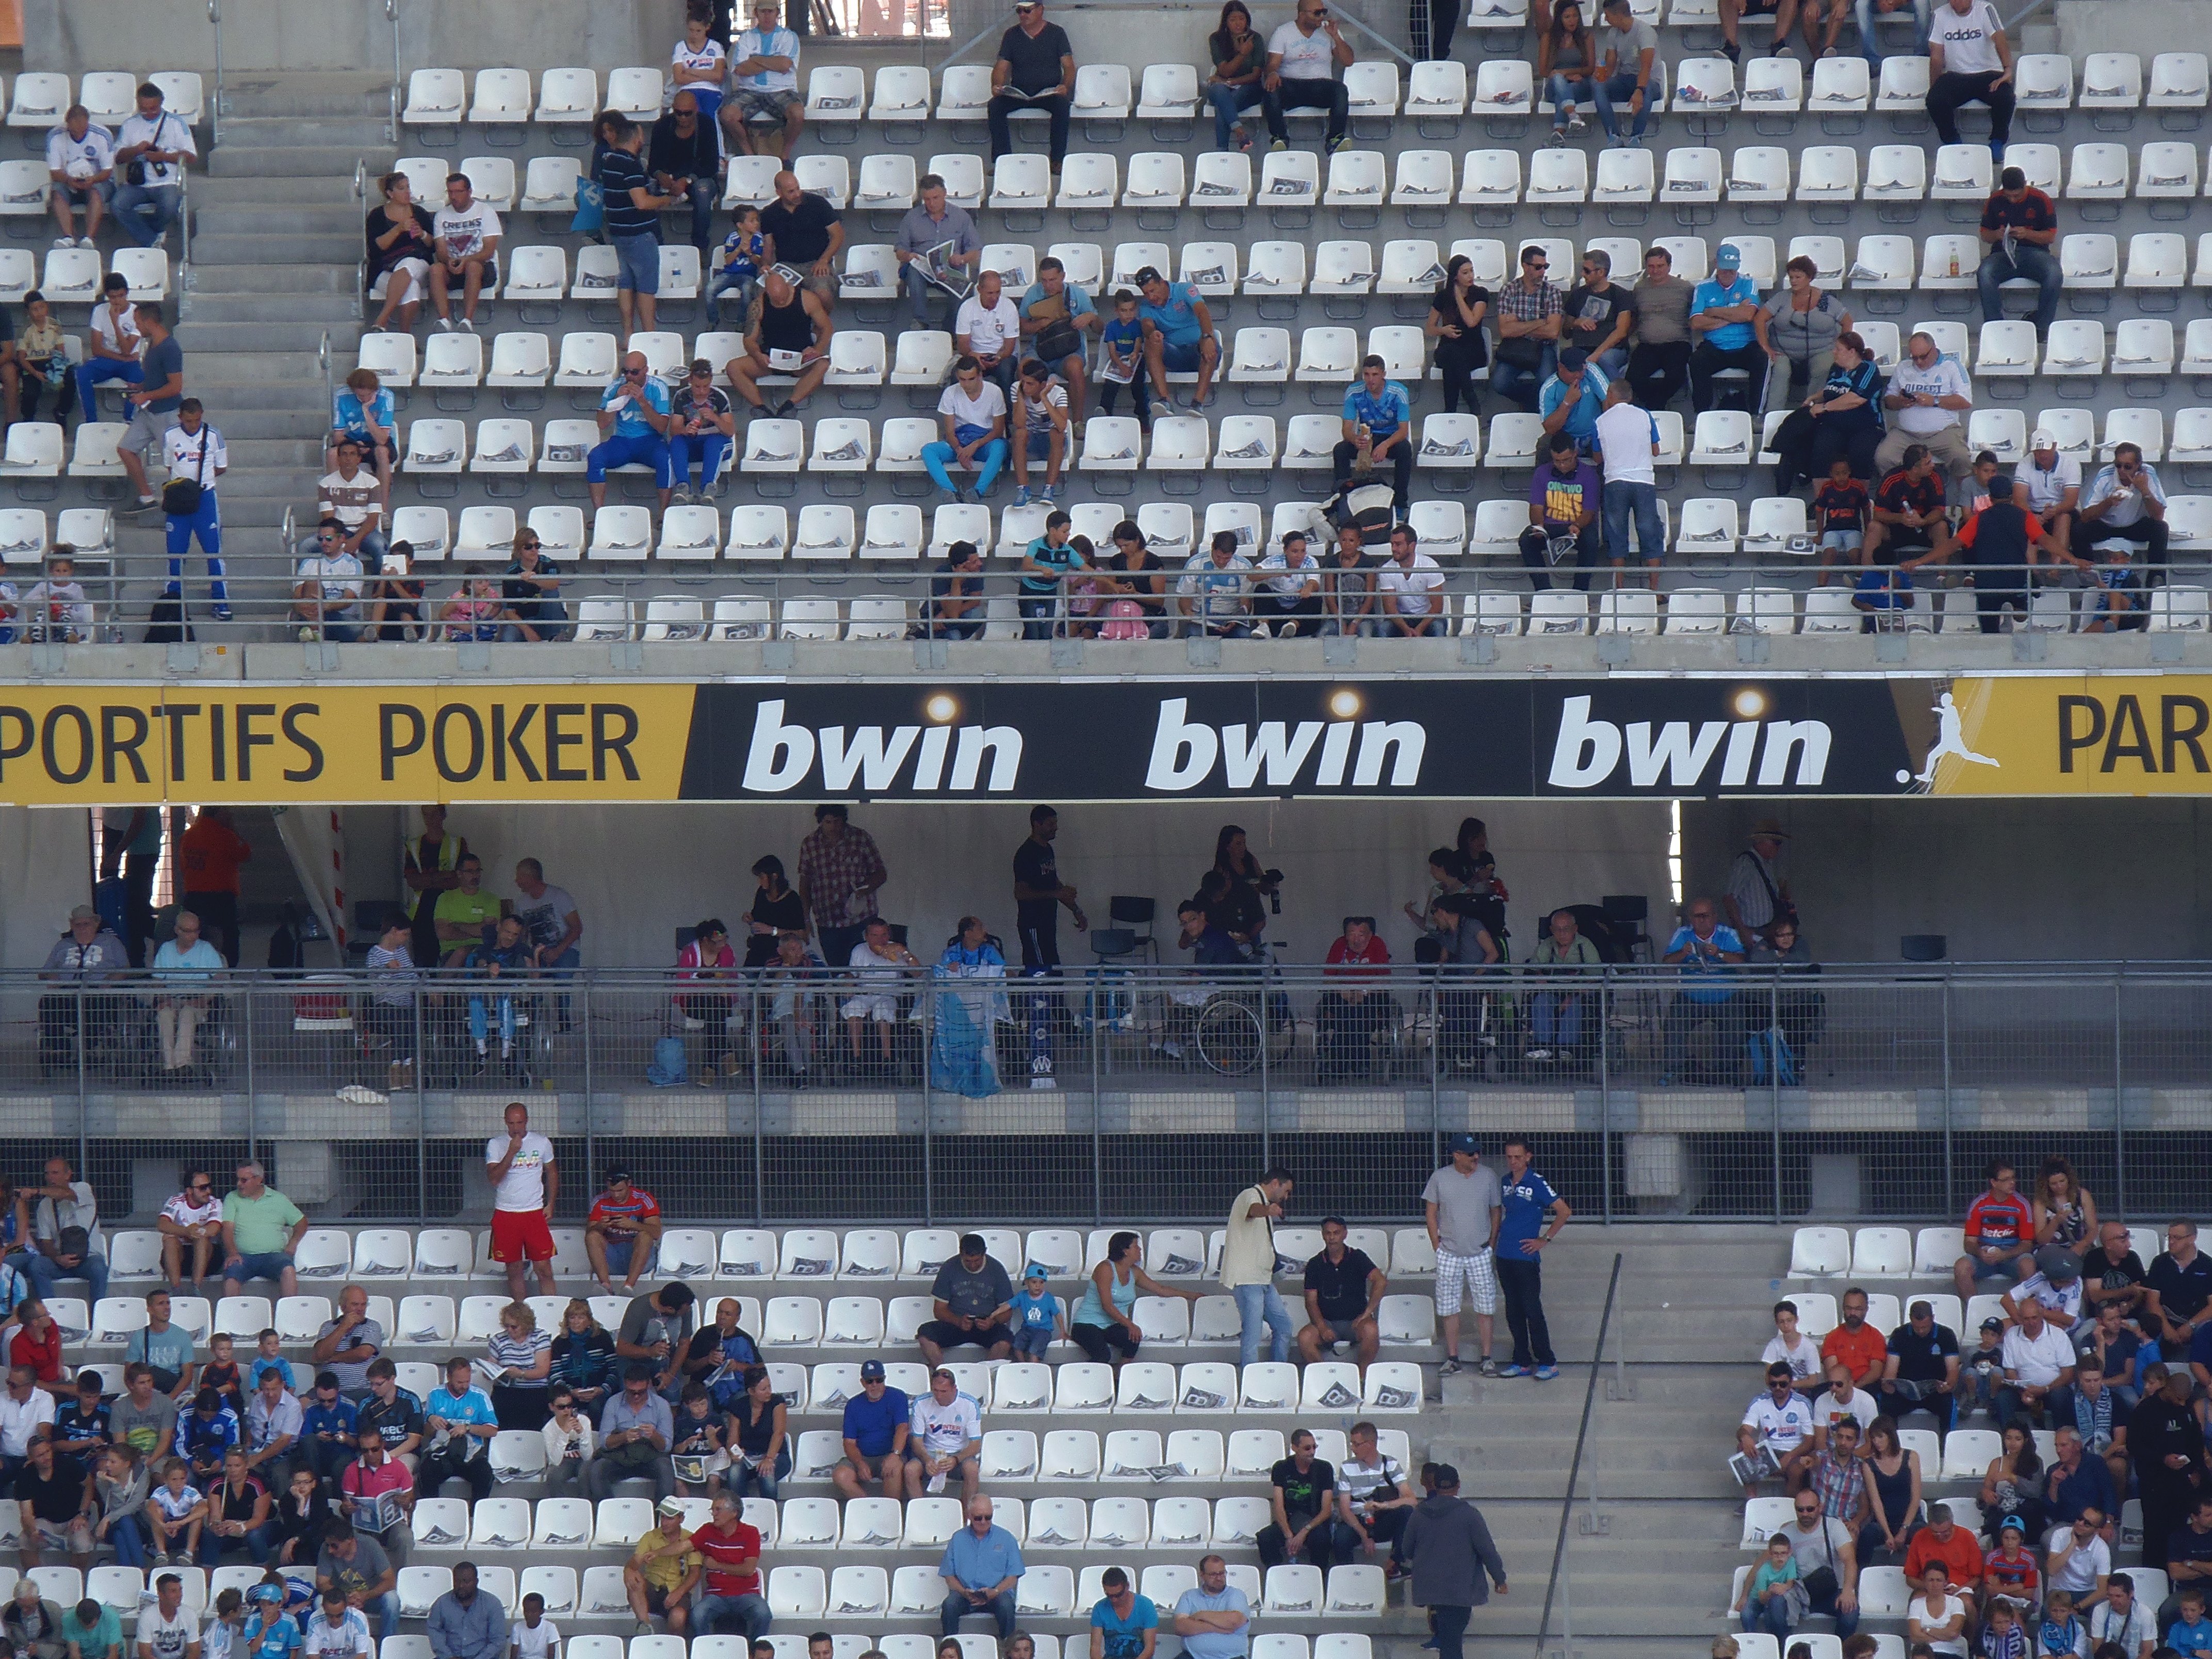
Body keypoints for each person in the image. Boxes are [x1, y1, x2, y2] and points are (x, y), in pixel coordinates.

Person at [1400, 1465, 1506, 1659]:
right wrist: (1500, 1579)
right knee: (1452, 1645)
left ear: (1434, 1486)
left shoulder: (1419, 1514)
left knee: (1449, 1641)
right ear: (1458, 1485)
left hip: (1430, 1589)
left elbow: (1406, 1549)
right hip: (1460, 1589)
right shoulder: (1469, 1514)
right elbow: (1487, 1551)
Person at [1775, 332, 1885, 497]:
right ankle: (1823, 503)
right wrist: (1814, 398)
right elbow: (1832, 390)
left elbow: (1856, 399)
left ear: (1852, 352)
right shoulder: (1836, 368)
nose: (1834, 352)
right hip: (1834, 424)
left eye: (1838, 349)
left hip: (1865, 425)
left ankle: (1857, 503)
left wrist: (1825, 407)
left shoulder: (1868, 368)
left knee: (1860, 454)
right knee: (1821, 452)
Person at [1070, 1232, 1199, 1367]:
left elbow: (1160, 1289)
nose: (1140, 1249)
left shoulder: (1135, 1272)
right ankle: (1082, 1375)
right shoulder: (1105, 1268)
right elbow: (1107, 1305)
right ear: (1125, 1251)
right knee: (1103, 1355)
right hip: (1086, 1324)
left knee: (1133, 1340)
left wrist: (1191, 1295)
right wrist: (1130, 1325)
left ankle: (1119, 1374)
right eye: (1136, 1246)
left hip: (1110, 1325)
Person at [798, 804, 888, 985]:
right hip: (827, 920)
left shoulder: (860, 838)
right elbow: (805, 883)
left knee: (862, 970)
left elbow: (880, 873)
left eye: (837, 822)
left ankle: (865, 1002)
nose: (833, 827)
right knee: (838, 974)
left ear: (844, 821)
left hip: (860, 918)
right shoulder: (810, 843)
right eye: (828, 822)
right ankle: (843, 1004)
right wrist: (805, 919)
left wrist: (863, 890)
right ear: (821, 822)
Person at [730, 264, 835, 418]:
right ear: (767, 293)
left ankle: (790, 405)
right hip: (771, 359)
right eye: (776, 300)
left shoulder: (807, 299)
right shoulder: (758, 305)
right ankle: (761, 408)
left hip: (800, 358)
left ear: (788, 286)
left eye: (783, 298)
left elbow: (827, 328)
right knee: (733, 367)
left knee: (823, 364)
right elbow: (749, 339)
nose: (780, 302)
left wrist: (816, 351)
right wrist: (758, 355)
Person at [987, 0, 1076, 175]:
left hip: (1048, 93)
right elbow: (1001, 68)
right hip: (1020, 93)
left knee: (1062, 105)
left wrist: (1065, 86)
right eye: (1019, 11)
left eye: (1027, 10)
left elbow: (1069, 67)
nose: (1023, 15)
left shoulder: (1057, 33)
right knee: (995, 106)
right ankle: (1002, 161)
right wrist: (997, 85)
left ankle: (1057, 161)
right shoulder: (1011, 35)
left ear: (1040, 10)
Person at [1875, 332, 1975, 481]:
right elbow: (1888, 401)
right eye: (1914, 358)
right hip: (1906, 433)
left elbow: (1965, 401)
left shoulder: (1952, 366)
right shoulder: (1903, 367)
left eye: (1923, 357)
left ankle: (1965, 495)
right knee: (1884, 457)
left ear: (1934, 349)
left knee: (1960, 458)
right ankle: (1899, 492)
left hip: (1943, 432)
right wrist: (1900, 402)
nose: (1919, 362)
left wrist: (1935, 401)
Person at [1221, 1170, 1296, 1367]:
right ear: (1275, 1183)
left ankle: (1277, 1371)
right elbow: (1254, 1210)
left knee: (1284, 1326)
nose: (1286, 1197)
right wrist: (1269, 1210)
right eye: (1286, 1191)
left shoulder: (1260, 1201)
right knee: (1252, 1334)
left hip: (1263, 1279)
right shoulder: (1250, 1195)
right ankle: (1250, 1379)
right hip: (1247, 1279)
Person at [484, 1102, 557, 1302]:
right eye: (511, 1123)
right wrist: (511, 1152)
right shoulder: (496, 1144)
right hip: (507, 1212)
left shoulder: (542, 1142)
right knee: (514, 1269)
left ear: (527, 1121)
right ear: (505, 1122)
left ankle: (551, 1309)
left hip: (534, 1212)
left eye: (520, 1123)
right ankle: (521, 1312)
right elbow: (494, 1179)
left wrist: (551, 1203)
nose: (516, 1128)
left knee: (544, 1269)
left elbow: (552, 1172)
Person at [1977, 167, 2061, 339]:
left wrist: (2028, 234)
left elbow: (2051, 236)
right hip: (2002, 254)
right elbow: (1985, 235)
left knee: (2054, 274)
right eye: (2008, 196)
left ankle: (2041, 328)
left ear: (2025, 185)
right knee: (1985, 273)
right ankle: (1995, 326)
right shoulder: (1995, 200)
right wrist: (1997, 235)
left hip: (2035, 253)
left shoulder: (2041, 199)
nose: (2012, 200)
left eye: (2016, 196)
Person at [1759, 255, 1853, 406]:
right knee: (1780, 371)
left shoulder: (1826, 300)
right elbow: (1760, 318)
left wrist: (1840, 348)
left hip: (1821, 350)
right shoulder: (1781, 297)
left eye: (1798, 277)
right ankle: (1773, 413)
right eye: (1791, 277)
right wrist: (1765, 346)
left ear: (1809, 278)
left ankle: (1812, 409)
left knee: (1824, 367)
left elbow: (1847, 321)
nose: (1793, 281)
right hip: (1782, 351)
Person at [587, 352, 674, 516]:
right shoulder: (615, 387)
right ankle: (599, 515)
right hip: (622, 440)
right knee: (595, 457)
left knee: (666, 458)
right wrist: (616, 400)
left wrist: (642, 402)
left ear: (646, 370)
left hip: (650, 441)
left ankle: (663, 515)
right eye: (625, 371)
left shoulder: (658, 387)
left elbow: (662, 427)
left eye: (634, 372)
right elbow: (602, 424)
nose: (629, 376)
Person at [1261, 0, 1353, 154]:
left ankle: (1335, 139)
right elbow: (1272, 64)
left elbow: (1348, 61)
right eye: (1317, 13)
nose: (1322, 16)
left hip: (1320, 87)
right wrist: (1272, 73)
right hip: (1291, 86)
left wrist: (1336, 36)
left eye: (1324, 12)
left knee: (1340, 89)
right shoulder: (1284, 32)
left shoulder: (1329, 31)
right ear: (1302, 14)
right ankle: (1280, 138)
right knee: (1271, 88)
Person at [111, 83, 195, 248]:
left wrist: (164, 157)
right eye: (144, 109)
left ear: (162, 102)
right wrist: (136, 150)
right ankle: (151, 240)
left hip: (167, 181)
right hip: (137, 183)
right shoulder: (130, 125)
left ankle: (151, 233)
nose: (149, 113)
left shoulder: (176, 123)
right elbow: (118, 158)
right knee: (118, 205)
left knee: (170, 206)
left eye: (153, 109)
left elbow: (191, 157)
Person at [1927, 0, 2014, 158]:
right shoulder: (1940, 15)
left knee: (2005, 96)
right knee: (1935, 100)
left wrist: (2007, 69)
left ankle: (1997, 143)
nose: (1956, 3)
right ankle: (1953, 143)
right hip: (1957, 75)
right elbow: (1936, 55)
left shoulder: (1985, 9)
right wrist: (1935, 86)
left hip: (1988, 73)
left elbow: (1999, 38)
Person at [894, 175, 981, 333]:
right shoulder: (912, 218)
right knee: (913, 272)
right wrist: (908, 256)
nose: (932, 203)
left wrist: (962, 259)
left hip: (950, 268)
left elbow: (975, 249)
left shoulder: (960, 217)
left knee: (963, 288)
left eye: (936, 198)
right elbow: (900, 250)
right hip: (922, 269)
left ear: (945, 194)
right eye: (927, 199)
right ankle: (921, 322)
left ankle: (949, 330)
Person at [1689, 242, 1768, 415]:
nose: (1728, 273)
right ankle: (1702, 415)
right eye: (1724, 269)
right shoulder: (1703, 287)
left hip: (1745, 345)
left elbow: (1748, 315)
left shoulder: (1748, 283)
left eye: (1732, 270)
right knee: (1696, 360)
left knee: (1762, 358)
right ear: (1716, 264)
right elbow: (1696, 323)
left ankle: (1756, 414)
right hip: (1715, 346)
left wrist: (1713, 312)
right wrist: (1735, 314)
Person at [1298, 1217, 1386, 1370]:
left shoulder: (1357, 1257)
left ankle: (1362, 1376)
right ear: (1323, 1235)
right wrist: (1322, 1327)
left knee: (1371, 1331)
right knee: (1305, 1338)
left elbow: (1380, 1281)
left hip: (1355, 1322)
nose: (1332, 1237)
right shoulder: (1315, 1263)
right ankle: (1323, 1375)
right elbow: (1311, 1301)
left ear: (1345, 1234)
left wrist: (1367, 1314)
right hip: (1327, 1322)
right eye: (1328, 1233)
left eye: (1336, 1233)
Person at [1520, 431, 1603, 593]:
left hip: (1577, 526)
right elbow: (1536, 507)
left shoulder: (1589, 474)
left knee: (1591, 540)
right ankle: (1543, 591)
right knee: (1526, 540)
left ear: (1575, 454)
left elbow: (1589, 511)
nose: (1562, 465)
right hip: (1550, 525)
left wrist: (1577, 525)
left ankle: (1580, 592)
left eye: (1566, 460)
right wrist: (1539, 525)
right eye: (1557, 461)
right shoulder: (1542, 472)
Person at [2073, 443, 2169, 579]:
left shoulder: (2148, 474)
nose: (2122, 470)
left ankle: (2156, 578)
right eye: (2118, 465)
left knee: (2160, 528)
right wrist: (2108, 503)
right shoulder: (2105, 475)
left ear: (2138, 465)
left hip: (2135, 525)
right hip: (2106, 526)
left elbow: (2158, 516)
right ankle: (2089, 577)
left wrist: (2145, 491)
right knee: (2078, 530)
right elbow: (2085, 516)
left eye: (2127, 467)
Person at [1316, 915, 1394, 1084]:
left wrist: (1364, 991)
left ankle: (1341, 1064)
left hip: (1370, 996)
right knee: (1346, 1013)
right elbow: (1327, 978)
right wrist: (1341, 989)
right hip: (1341, 996)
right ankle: (1357, 1062)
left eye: (1361, 934)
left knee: (1360, 1014)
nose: (1356, 939)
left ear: (1371, 935)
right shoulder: (1339, 945)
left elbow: (1385, 979)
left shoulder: (1377, 944)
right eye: (1352, 934)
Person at [923, 353, 1010, 505]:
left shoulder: (994, 392)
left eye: (971, 379)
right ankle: (951, 492)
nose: (967, 384)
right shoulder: (950, 393)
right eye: (962, 380)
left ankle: (977, 492)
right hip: (960, 441)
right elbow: (950, 432)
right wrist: (960, 451)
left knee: (1000, 447)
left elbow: (998, 430)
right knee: (928, 450)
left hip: (985, 443)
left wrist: (975, 445)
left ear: (980, 376)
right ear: (958, 377)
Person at [1135, 267, 1221, 417]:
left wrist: (1207, 337)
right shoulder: (1146, 306)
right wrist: (1152, 333)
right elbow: (1147, 323)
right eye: (1146, 293)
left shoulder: (1184, 289)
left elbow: (1202, 311)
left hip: (1198, 350)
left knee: (1211, 343)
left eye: (1153, 291)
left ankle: (1198, 403)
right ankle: (1165, 400)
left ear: (1162, 283)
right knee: (1150, 343)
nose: (1151, 297)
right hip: (1173, 354)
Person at [920, 1234, 1015, 1365]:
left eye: (977, 1261)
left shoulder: (996, 1269)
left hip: (987, 1324)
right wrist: (958, 1321)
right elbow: (939, 1310)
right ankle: (940, 1372)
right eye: (968, 1261)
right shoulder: (949, 1267)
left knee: (1005, 1341)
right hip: (956, 1323)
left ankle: (986, 1372)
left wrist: (992, 1321)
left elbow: (1007, 1310)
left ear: (984, 1253)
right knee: (925, 1334)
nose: (973, 1265)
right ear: (961, 1254)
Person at [1336, 354, 1414, 509]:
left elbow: (1403, 430)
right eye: (1367, 374)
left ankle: (1400, 503)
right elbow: (1346, 429)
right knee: (1341, 450)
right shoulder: (1353, 392)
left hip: (1390, 437)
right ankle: (1343, 500)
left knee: (1405, 449)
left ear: (1383, 374)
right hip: (1367, 437)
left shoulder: (1399, 392)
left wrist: (1385, 445)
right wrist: (1355, 439)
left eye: (1375, 375)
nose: (1370, 380)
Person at [588, 1365, 675, 1503]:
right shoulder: (613, 1403)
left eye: (641, 1392)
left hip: (649, 1457)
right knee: (597, 1470)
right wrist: (624, 1437)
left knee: (665, 1468)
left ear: (649, 1385)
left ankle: (661, 1513)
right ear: (625, 1385)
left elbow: (667, 1446)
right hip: (620, 1456)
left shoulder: (661, 1405)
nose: (636, 1396)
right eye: (631, 1392)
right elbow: (604, 1442)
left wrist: (654, 1435)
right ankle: (608, 1511)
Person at [364, 173, 436, 336]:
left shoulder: (420, 213)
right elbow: (376, 248)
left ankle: (382, 319)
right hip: (385, 269)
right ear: (390, 193)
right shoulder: (377, 215)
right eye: (402, 189)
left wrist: (422, 234)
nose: (407, 192)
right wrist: (398, 229)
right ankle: (405, 336)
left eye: (408, 187)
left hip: (418, 264)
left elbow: (432, 246)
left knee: (408, 263)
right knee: (411, 287)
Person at [413, 1358, 495, 1503]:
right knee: (427, 1471)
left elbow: (492, 1430)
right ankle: (432, 1511)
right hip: (443, 1452)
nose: (465, 1386)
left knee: (485, 1473)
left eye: (467, 1382)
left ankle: (475, 1513)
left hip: (471, 1454)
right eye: (460, 1382)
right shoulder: (435, 1394)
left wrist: (468, 1428)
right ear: (449, 1377)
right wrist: (432, 1420)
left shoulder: (480, 1396)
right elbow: (427, 1432)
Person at [1493, 244, 1564, 411]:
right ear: (1525, 266)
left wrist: (1518, 325)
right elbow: (1505, 331)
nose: (1543, 271)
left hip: (1543, 347)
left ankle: (1528, 408)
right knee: (1499, 383)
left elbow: (1553, 332)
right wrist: (1539, 322)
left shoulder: (1552, 292)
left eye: (1545, 267)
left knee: (1547, 381)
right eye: (1539, 267)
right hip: (1515, 347)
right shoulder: (1509, 290)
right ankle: (1531, 404)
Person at [428, 173, 501, 334]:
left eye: (458, 192)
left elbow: (489, 251)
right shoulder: (442, 215)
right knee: (435, 269)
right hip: (453, 266)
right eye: (450, 192)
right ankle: (444, 320)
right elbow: (441, 251)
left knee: (473, 267)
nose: (454, 196)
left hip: (482, 266)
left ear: (469, 192)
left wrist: (465, 260)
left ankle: (467, 320)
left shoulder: (485, 211)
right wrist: (448, 261)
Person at [759, 171, 844, 306]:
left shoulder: (818, 204)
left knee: (823, 294)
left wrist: (824, 260)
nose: (798, 194)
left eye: (798, 188)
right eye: (791, 192)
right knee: (764, 293)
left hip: (816, 263)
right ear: (779, 192)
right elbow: (768, 247)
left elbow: (838, 235)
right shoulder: (769, 213)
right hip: (786, 266)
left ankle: (821, 320)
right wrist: (765, 265)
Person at [690, 1491, 768, 1639]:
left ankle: (753, 1650)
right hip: (716, 1595)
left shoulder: (750, 1532)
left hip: (747, 1593)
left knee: (763, 1614)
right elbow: (685, 1546)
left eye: (718, 1510)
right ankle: (706, 1649)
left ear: (734, 1513)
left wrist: (716, 1566)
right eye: (713, 1510)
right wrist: (656, 1552)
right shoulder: (708, 1530)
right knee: (697, 1615)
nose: (714, 1514)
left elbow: (748, 1570)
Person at [832, 1359, 909, 1499]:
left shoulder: (898, 1396)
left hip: (889, 1453)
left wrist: (895, 1454)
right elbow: (849, 1442)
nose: (875, 1385)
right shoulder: (853, 1404)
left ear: (885, 1379)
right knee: (840, 1475)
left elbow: (903, 1428)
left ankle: (889, 1509)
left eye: (879, 1380)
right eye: (870, 1381)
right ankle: (868, 1506)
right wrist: (859, 1463)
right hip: (863, 1456)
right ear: (863, 1382)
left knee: (894, 1468)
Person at [1424, 254, 1490, 417]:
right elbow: (1430, 329)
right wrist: (1444, 331)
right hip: (1448, 347)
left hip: (1473, 350)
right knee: (1451, 353)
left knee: (1451, 364)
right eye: (1465, 273)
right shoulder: (1442, 297)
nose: (1471, 276)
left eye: (1472, 271)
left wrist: (1459, 297)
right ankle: (1471, 400)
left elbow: (1471, 322)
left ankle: (1450, 412)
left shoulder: (1481, 294)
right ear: (1455, 276)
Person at [1884, 1298, 1963, 1432]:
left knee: (1948, 1403)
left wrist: (1947, 1386)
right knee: (1887, 1403)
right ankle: (1891, 1442)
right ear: (1911, 1319)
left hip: (1935, 1392)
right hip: (1906, 1393)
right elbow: (1891, 1371)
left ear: (1933, 1318)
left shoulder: (1946, 1335)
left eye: (1925, 1327)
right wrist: (1888, 1385)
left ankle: (1946, 1441)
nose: (1921, 1331)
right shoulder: (1899, 1334)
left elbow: (1952, 1371)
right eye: (1917, 1328)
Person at [626, 1497, 702, 1634]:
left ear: (681, 1519)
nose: (664, 1522)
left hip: (677, 1589)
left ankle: (673, 1645)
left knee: (678, 1617)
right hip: (652, 1588)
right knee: (634, 1578)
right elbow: (636, 1561)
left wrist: (679, 1593)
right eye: (662, 1517)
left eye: (670, 1518)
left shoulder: (690, 1539)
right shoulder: (650, 1536)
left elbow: (695, 1572)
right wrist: (629, 1570)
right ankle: (645, 1627)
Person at [905, 1368, 983, 1503]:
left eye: (944, 1391)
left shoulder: (969, 1404)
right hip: (931, 1452)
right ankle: (919, 1510)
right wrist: (927, 1460)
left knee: (972, 1469)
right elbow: (917, 1440)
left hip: (959, 1453)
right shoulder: (921, 1402)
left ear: (954, 1388)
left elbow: (975, 1443)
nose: (939, 1396)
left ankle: (968, 1513)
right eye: (935, 1391)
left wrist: (956, 1459)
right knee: (910, 1470)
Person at [2002, 1298, 2079, 1430]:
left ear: (2042, 1315)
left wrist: (2045, 1389)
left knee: (2061, 1396)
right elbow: (2010, 1371)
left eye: (2035, 1318)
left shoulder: (2058, 1335)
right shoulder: (2012, 1335)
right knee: (2003, 1398)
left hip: (2052, 1390)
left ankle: (2062, 1437)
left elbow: (2068, 1374)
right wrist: (2023, 1390)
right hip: (2023, 1391)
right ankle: (2009, 1438)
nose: (2031, 1323)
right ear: (2020, 1318)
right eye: (2026, 1319)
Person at [44, 104, 113, 251]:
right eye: (75, 131)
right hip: (68, 180)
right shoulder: (55, 137)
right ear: (67, 124)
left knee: (96, 193)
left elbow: (107, 171)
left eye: (83, 131)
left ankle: (89, 238)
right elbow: (55, 172)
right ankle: (68, 237)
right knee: (57, 193)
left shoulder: (102, 135)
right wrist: (69, 180)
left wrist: (93, 180)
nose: (79, 135)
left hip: (98, 180)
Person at [1591, 0, 1659, 145]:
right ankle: (1614, 137)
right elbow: (1610, 65)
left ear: (1619, 15)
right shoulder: (1613, 33)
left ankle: (1636, 137)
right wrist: (1601, 76)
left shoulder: (1645, 32)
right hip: (1624, 79)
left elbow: (1646, 67)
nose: (1606, 19)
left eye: (1608, 15)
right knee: (1599, 87)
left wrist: (1639, 90)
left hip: (1649, 81)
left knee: (1646, 90)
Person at [584, 1173, 661, 1295]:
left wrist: (632, 1225)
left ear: (629, 1184)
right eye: (612, 1191)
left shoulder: (644, 1199)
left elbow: (656, 1233)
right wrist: (600, 1226)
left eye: (620, 1190)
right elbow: (589, 1234)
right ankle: (606, 1286)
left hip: (640, 1256)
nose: (616, 1195)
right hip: (612, 1256)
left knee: (645, 1237)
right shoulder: (600, 1201)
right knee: (592, 1237)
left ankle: (628, 1287)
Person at [1207, 2, 1267, 152]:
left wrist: (1228, 82)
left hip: (1249, 88)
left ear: (1247, 19)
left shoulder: (1255, 39)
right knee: (1219, 91)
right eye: (1233, 20)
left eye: (1241, 18)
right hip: (1223, 88)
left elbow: (1256, 75)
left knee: (1223, 105)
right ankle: (1240, 131)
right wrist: (1242, 54)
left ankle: (1222, 152)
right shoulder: (1216, 39)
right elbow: (1225, 71)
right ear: (1226, 22)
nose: (1238, 23)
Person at [956, 269, 1022, 400]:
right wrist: (974, 356)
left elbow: (1009, 346)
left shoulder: (1009, 307)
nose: (995, 297)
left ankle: (1007, 413)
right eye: (990, 293)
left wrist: (998, 357)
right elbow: (963, 344)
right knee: (958, 374)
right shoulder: (967, 308)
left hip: (1002, 357)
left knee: (1006, 371)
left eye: (998, 292)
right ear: (979, 290)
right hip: (974, 355)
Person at [1538, 1, 1598, 142]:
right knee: (1558, 79)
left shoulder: (1586, 37)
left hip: (1580, 85)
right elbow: (1543, 71)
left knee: (1564, 91)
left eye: (1575, 16)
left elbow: (1590, 69)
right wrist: (1567, 75)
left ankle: (1558, 134)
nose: (1572, 21)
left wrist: (1566, 72)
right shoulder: (1549, 37)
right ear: (1559, 19)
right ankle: (1572, 115)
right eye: (1567, 17)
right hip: (1555, 85)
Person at [1172, 1555, 1251, 1659]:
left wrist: (1201, 1615)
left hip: (1232, 1657)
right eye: (1213, 1575)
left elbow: (1234, 1621)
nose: (1219, 1578)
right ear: (1202, 1575)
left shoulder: (1236, 1595)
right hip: (1192, 1657)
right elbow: (1180, 1627)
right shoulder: (1189, 1596)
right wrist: (1219, 1628)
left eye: (1222, 1573)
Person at [726, 1368, 788, 1498]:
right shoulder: (738, 1406)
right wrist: (734, 1452)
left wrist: (769, 1458)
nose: (769, 1392)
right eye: (764, 1389)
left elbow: (779, 1433)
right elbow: (732, 1439)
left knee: (766, 1474)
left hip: (774, 1454)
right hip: (748, 1456)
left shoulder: (777, 1402)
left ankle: (770, 1507)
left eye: (769, 1387)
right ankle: (740, 1506)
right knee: (734, 1473)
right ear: (751, 1392)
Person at [427, 1564, 505, 1659]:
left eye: (466, 1582)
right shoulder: (441, 1604)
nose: (461, 1586)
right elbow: (435, 1632)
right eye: (457, 1581)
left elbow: (498, 1641)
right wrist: (449, 1657)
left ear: (476, 1582)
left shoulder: (492, 1604)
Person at [1089, 1568, 1158, 1659]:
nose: (1114, 1600)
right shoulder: (1099, 1608)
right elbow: (1095, 1648)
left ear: (1128, 1586)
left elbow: (1150, 1648)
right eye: (1109, 1595)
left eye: (1118, 1595)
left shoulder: (1146, 1605)